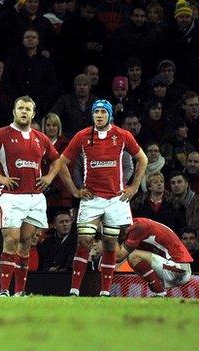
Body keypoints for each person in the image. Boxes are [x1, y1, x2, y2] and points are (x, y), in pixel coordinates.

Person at [0, 96, 65, 297]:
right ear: (14, 112)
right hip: (10, 196)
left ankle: (19, 292)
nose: (24, 112)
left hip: (34, 197)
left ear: (33, 114)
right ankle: (4, 290)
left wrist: (49, 177)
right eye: (20, 108)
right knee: (11, 239)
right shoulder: (1, 135)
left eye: (28, 109)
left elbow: (57, 160)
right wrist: (0, 177)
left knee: (26, 242)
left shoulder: (41, 138)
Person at [58, 99, 148, 297]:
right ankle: (74, 290)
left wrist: (133, 187)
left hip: (116, 199)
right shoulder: (82, 136)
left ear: (110, 115)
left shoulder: (123, 135)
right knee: (84, 240)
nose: (99, 115)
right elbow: (61, 162)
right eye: (96, 112)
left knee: (109, 244)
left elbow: (143, 158)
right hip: (91, 199)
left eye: (103, 112)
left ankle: (105, 292)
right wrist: (74, 190)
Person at [116, 218, 194, 297]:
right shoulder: (140, 225)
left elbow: (118, 257)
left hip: (180, 269)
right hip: (177, 269)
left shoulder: (139, 227)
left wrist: (110, 234)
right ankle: (159, 291)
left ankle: (159, 293)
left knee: (134, 256)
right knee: (134, 257)